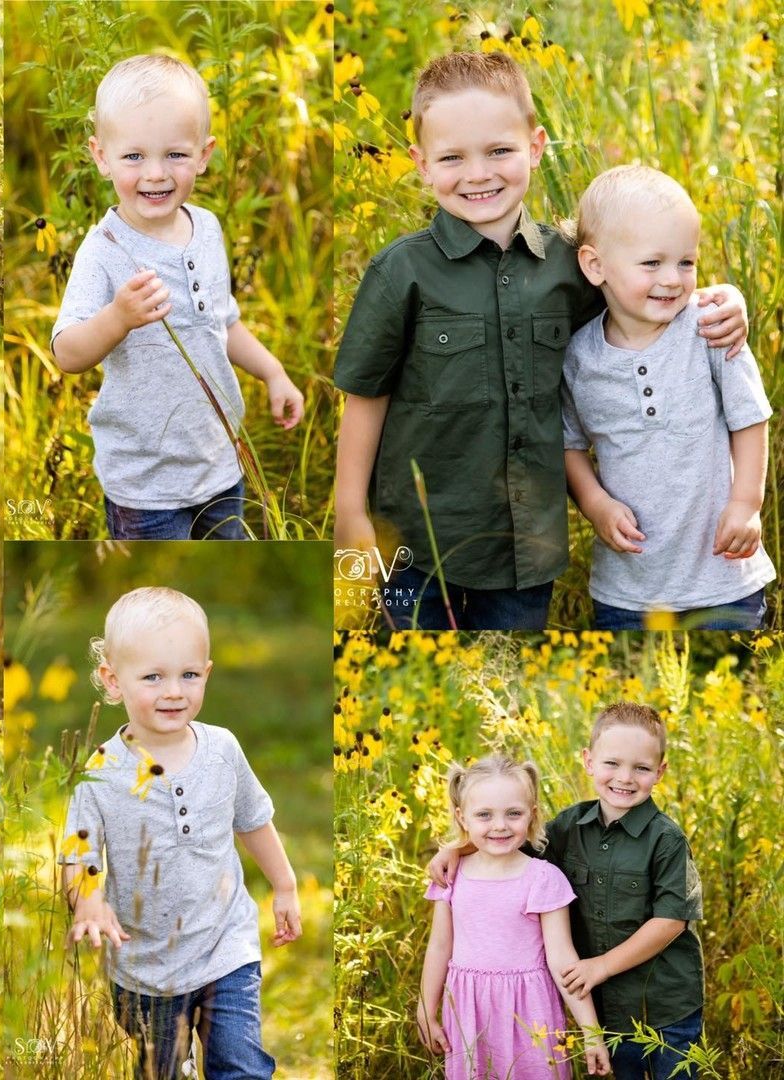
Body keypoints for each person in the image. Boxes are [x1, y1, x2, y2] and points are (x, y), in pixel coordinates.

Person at [333, 51, 748, 629]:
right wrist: (350, 510)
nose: (478, 174)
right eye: (452, 157)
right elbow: (365, 394)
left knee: (509, 677)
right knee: (413, 669)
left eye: (499, 150)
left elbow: (648, 288)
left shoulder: (569, 266)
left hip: (526, 549)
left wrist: (725, 298)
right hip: (417, 545)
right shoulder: (401, 273)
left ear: (535, 146)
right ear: (421, 164)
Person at [50, 54, 304, 540]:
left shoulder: (206, 229)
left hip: (220, 466)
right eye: (133, 156)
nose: (155, 174)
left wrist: (273, 372)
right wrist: (118, 318)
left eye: (175, 155)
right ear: (101, 156)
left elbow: (222, 323)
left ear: (204, 154)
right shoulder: (103, 252)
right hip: (144, 488)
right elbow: (67, 352)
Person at [62, 586, 302, 1078]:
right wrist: (86, 899)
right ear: (112, 681)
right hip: (145, 963)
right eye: (153, 677)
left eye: (189, 675)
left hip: (225, 943)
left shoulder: (222, 749)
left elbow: (252, 817)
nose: (175, 691)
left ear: (206, 673)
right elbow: (78, 853)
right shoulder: (101, 772)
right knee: (160, 1070)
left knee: (239, 1064)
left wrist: (285, 885)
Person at [430, 704, 705, 1080]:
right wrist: (456, 849)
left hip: (665, 1004)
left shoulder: (667, 839)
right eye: (612, 763)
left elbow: (671, 921)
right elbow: (509, 847)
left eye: (640, 768)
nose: (624, 778)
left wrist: (601, 966)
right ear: (589, 761)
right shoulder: (568, 827)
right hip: (607, 1007)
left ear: (660, 772)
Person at [562, 165, 775, 629]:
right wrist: (595, 504)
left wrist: (746, 504)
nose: (674, 279)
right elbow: (569, 445)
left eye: (686, 261)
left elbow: (749, 418)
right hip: (628, 590)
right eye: (651, 263)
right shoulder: (579, 357)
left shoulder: (709, 326)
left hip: (724, 582)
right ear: (595, 265)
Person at [417, 754, 610, 1079]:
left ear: (532, 815)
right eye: (484, 815)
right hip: (469, 1010)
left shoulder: (542, 879)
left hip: (530, 1013)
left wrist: (591, 1031)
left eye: (514, 814)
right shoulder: (452, 874)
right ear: (462, 817)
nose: (500, 825)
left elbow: (562, 958)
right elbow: (439, 946)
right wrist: (426, 1008)